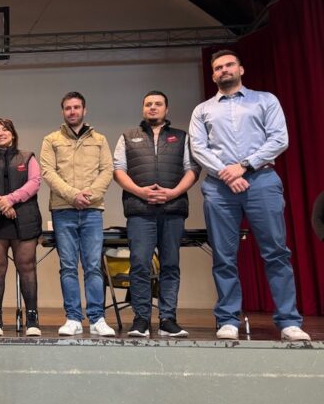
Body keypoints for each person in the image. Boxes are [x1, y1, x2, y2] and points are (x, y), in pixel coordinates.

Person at [189, 49, 310, 341]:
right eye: (218, 67)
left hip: (262, 181)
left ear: (241, 69)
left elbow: (279, 139)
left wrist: (243, 166)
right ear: (213, 75)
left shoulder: (266, 100)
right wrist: (226, 173)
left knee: (276, 252)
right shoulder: (202, 110)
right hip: (219, 187)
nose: (224, 70)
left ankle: (289, 321)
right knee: (223, 256)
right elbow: (198, 148)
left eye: (229, 65)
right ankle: (228, 319)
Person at [113, 91, 200, 338]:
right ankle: (141, 319)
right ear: (143, 109)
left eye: (158, 104)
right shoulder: (127, 137)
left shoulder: (181, 137)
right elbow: (118, 170)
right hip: (140, 211)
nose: (153, 107)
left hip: (172, 210)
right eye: (148, 104)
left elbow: (192, 168)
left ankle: (167, 320)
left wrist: (173, 193)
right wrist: (140, 192)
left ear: (166, 109)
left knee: (170, 265)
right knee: (140, 264)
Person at [40, 91, 114, 337]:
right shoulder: (51, 140)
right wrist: (73, 195)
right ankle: (73, 318)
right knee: (68, 266)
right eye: (68, 108)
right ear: (63, 111)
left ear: (84, 110)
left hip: (92, 210)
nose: (72, 111)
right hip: (63, 211)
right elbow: (48, 172)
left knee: (93, 266)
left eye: (76, 107)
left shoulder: (100, 140)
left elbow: (107, 170)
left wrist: (89, 196)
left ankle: (97, 319)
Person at [0, 118, 43, 337]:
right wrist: (1, 203)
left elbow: (35, 182)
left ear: (13, 134)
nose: (0, 133)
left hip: (24, 220)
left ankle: (32, 319)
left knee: (27, 267)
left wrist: (10, 200)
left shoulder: (28, 157)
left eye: (4, 130)